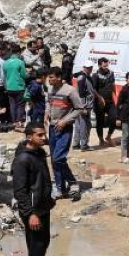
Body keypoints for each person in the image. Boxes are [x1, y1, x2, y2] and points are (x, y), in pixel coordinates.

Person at [12, 122, 55, 256]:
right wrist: (30, 214)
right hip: (33, 211)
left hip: (42, 207)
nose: (44, 138)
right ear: (29, 137)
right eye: (40, 135)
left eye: (44, 134)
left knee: (40, 244)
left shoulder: (39, 153)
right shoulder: (22, 160)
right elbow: (20, 191)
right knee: (37, 245)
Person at [45, 70, 84, 200]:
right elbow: (48, 102)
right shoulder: (50, 89)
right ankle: (60, 189)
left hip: (64, 128)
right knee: (54, 160)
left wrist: (65, 121)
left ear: (59, 77)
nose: (49, 80)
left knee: (58, 158)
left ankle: (72, 182)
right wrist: (47, 112)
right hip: (52, 128)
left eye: (51, 77)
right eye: (49, 77)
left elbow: (79, 108)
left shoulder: (70, 90)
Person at [92, 57, 118, 147]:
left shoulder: (111, 73)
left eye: (107, 65)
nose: (106, 67)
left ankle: (108, 137)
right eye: (104, 66)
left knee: (114, 118)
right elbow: (93, 89)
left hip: (110, 101)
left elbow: (113, 84)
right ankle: (101, 139)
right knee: (100, 122)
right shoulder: (95, 76)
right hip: (99, 102)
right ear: (99, 66)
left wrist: (116, 94)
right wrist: (100, 98)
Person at [74, 61, 98, 151]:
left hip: (81, 105)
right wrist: (83, 107)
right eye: (87, 67)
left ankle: (76, 144)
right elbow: (81, 94)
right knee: (85, 125)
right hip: (84, 106)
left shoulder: (85, 76)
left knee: (79, 124)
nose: (89, 69)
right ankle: (84, 145)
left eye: (90, 67)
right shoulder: (82, 77)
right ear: (84, 67)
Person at [3, 45, 28, 124]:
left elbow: (5, 76)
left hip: (9, 87)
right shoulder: (20, 62)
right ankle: (19, 121)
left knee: (12, 104)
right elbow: (24, 75)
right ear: (18, 53)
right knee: (20, 104)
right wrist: (29, 73)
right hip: (19, 87)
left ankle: (14, 121)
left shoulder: (5, 62)